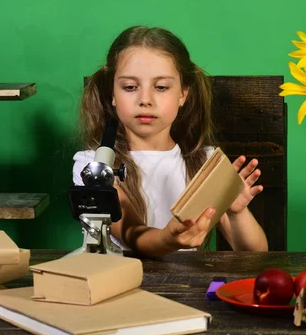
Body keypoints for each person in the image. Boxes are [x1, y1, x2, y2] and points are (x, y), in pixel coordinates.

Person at [73, 26, 268, 258]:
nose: (145, 100)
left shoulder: (206, 164)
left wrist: (237, 212)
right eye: (130, 87)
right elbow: (134, 235)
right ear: (112, 95)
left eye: (161, 87)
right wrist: (169, 238)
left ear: (183, 94)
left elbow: (254, 255)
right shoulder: (93, 166)